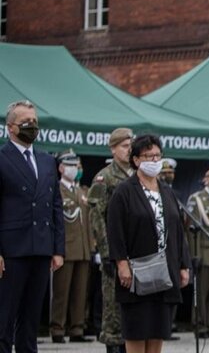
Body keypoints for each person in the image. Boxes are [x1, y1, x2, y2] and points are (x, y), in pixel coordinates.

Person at [105, 134, 192, 353]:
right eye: (148, 156)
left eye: (157, 156)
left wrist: (184, 265)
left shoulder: (167, 192)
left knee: (157, 332)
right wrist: (121, 264)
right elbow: (115, 231)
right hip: (137, 273)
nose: (154, 161)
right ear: (135, 160)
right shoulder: (124, 191)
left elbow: (178, 232)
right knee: (137, 331)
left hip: (165, 273)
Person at [0, 100, 64, 353]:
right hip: (12, 250)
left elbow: (55, 205)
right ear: (10, 128)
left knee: (31, 321)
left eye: (35, 122)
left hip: (41, 248)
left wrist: (57, 248)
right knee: (4, 319)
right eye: (26, 123)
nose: (32, 127)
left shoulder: (47, 161)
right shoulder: (2, 158)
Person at [89, 127, 135, 353]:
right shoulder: (104, 177)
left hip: (137, 250)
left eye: (130, 146)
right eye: (124, 146)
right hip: (114, 252)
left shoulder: (139, 174)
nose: (129, 150)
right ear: (113, 149)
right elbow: (96, 215)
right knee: (113, 308)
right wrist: (106, 252)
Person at [51, 150, 95, 343]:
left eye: (76, 165)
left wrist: (92, 247)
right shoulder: (56, 190)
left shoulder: (81, 191)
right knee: (61, 292)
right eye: (70, 165)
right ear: (61, 168)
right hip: (66, 249)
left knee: (80, 291)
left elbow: (89, 220)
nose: (75, 169)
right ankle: (57, 329)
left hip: (84, 248)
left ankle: (77, 328)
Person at [186, 167, 209, 338]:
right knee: (201, 294)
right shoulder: (197, 199)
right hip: (205, 253)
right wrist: (194, 256)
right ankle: (199, 326)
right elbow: (191, 230)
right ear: (205, 180)